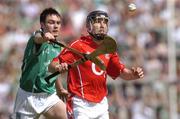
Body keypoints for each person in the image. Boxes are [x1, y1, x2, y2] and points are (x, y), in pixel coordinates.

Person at [48, 10, 144, 119]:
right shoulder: (78, 46)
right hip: (80, 103)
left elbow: (121, 73)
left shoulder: (109, 48)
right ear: (89, 26)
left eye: (105, 22)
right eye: (98, 21)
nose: (102, 25)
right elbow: (52, 66)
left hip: (101, 103)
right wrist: (58, 67)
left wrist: (133, 74)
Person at [12, 8, 68, 119]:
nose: (55, 26)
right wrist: (44, 37)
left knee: (70, 116)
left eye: (58, 23)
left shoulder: (58, 47)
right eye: (51, 22)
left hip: (48, 96)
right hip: (28, 97)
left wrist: (60, 88)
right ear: (42, 24)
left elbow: (52, 70)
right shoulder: (36, 38)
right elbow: (38, 38)